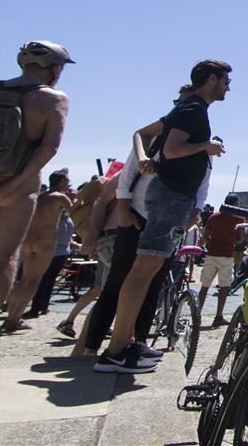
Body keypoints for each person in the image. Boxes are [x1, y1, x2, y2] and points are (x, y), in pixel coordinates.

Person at [94, 60, 230, 373]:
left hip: (169, 196)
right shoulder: (194, 109)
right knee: (143, 271)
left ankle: (124, 344)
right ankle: (116, 351)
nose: (228, 87)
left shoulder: (187, 108)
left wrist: (143, 156)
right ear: (212, 79)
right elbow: (171, 150)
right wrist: (206, 146)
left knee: (145, 271)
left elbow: (141, 133)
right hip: (171, 197)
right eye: (225, 80)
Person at [79, 85, 211, 357]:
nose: (182, 109)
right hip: (137, 217)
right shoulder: (156, 139)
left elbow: (202, 183)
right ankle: (93, 347)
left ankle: (137, 342)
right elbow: (127, 177)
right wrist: (124, 211)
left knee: (153, 284)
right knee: (115, 284)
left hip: (168, 219)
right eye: (179, 103)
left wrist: (194, 213)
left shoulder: (199, 142)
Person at [0, 41, 73, 310]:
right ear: (54, 68)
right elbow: (49, 148)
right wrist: (12, 186)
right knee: (5, 258)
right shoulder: (54, 99)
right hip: (18, 189)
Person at [1, 168, 74, 331]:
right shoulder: (60, 197)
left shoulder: (39, 197)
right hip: (46, 241)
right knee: (33, 280)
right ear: (62, 181)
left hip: (29, 240)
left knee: (23, 280)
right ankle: (15, 319)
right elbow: (74, 212)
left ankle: (11, 316)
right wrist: (74, 198)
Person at [57, 172, 120, 340]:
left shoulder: (110, 188)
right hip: (111, 240)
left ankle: (74, 322)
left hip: (104, 240)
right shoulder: (120, 185)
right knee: (105, 291)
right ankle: (87, 330)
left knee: (100, 289)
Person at [197, 193, 245, 327]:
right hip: (227, 255)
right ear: (235, 204)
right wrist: (231, 241)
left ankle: (197, 315)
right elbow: (241, 238)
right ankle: (218, 316)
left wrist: (213, 242)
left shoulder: (214, 217)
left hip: (212, 254)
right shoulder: (239, 219)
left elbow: (205, 236)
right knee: (224, 287)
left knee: (204, 287)